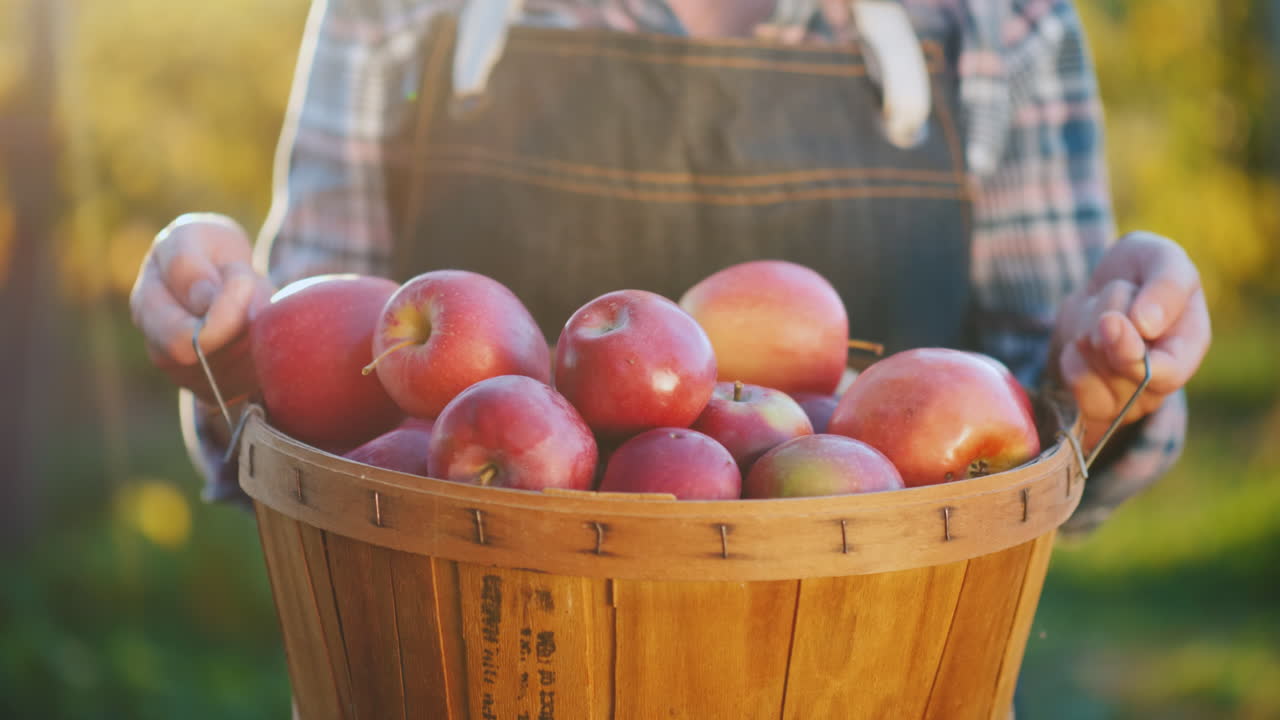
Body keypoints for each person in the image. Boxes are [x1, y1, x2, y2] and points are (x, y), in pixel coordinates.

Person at [130, 0, 1209, 535]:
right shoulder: (399, 13)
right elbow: (306, 451)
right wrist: (226, 354)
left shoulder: (1001, 22)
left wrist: (1106, 382)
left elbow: (1048, 466)